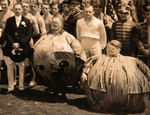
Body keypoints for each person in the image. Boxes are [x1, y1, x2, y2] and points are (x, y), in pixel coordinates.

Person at [81, 40, 150, 112]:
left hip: (127, 95)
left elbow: (142, 66)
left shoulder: (129, 59)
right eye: (108, 49)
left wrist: (149, 77)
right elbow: (89, 62)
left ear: (119, 49)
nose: (110, 51)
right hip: (100, 93)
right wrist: (84, 73)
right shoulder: (100, 57)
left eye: (112, 49)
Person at [34, 16, 86, 99]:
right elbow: (36, 45)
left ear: (61, 25)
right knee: (53, 76)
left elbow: (77, 47)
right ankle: (55, 90)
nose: (55, 25)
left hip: (63, 62)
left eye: (57, 24)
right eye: (53, 24)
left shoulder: (67, 36)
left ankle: (63, 93)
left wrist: (80, 59)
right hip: (49, 63)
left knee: (61, 76)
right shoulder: (46, 36)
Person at [3, 3, 32, 92]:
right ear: (13, 10)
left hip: (22, 47)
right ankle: (11, 86)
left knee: (21, 66)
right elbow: (6, 33)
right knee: (10, 66)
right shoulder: (9, 20)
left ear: (22, 10)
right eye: (16, 9)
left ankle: (21, 86)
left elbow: (28, 35)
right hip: (10, 47)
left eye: (19, 9)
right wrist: (13, 43)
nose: (17, 11)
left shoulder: (27, 21)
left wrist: (19, 44)